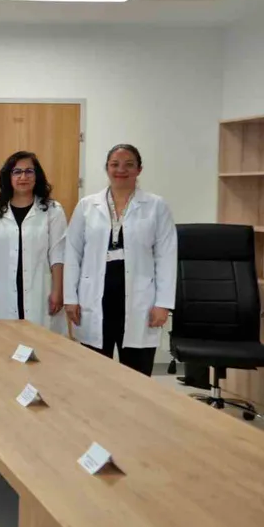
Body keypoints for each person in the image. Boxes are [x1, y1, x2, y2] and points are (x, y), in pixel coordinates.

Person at [64, 144, 176, 376]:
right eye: (115, 164)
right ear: (107, 168)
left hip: (139, 301)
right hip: (95, 299)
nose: (121, 170)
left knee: (137, 375)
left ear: (139, 169)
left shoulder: (156, 206)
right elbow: (72, 253)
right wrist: (70, 298)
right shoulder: (87, 206)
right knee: (94, 375)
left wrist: (163, 304)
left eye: (129, 165)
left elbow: (166, 256)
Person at [0, 152, 67, 334]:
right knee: (6, 342)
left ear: (37, 176)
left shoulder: (52, 210)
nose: (23, 177)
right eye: (17, 172)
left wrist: (58, 291)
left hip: (40, 290)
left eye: (29, 171)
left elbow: (58, 254)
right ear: (8, 176)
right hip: (2, 291)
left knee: (43, 343)